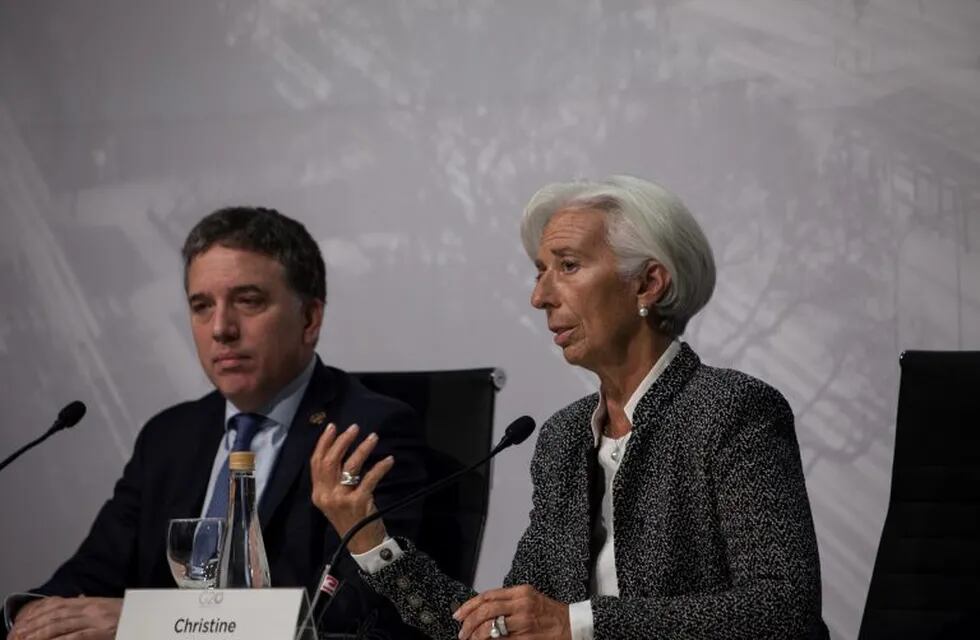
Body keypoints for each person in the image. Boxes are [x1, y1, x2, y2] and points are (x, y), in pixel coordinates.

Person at [312, 176, 829, 639]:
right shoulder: (564, 439)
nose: (540, 296)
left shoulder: (733, 410)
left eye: (568, 266)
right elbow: (498, 630)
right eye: (540, 271)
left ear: (648, 283)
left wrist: (576, 624)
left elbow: (782, 609)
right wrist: (372, 539)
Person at [4, 207, 427, 640]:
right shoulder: (169, 436)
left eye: (248, 301)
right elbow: (91, 574)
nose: (221, 329)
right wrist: (32, 615)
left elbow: (360, 616)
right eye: (201, 306)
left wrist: (142, 622)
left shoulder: (367, 431)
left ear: (309, 319)